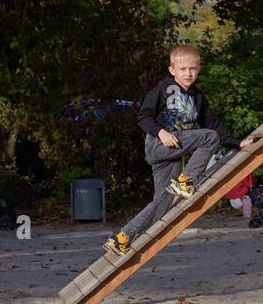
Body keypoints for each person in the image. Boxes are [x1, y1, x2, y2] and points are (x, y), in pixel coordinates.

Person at [104, 43, 253, 255]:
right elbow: (143, 116)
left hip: (174, 153)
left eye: (192, 69)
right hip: (159, 145)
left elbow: (212, 122)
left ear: (199, 69)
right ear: (172, 70)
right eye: (183, 69)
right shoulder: (163, 89)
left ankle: (123, 237)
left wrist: (236, 143)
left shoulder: (197, 97)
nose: (188, 73)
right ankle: (186, 180)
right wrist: (160, 133)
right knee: (209, 138)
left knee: (163, 204)